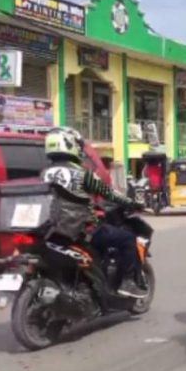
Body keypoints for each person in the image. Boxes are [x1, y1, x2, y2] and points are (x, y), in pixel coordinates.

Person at [41, 127, 147, 299]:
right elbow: (109, 193)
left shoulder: (44, 173)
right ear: (70, 145)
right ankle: (126, 282)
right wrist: (132, 202)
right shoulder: (81, 174)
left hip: (52, 230)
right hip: (81, 230)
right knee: (128, 239)